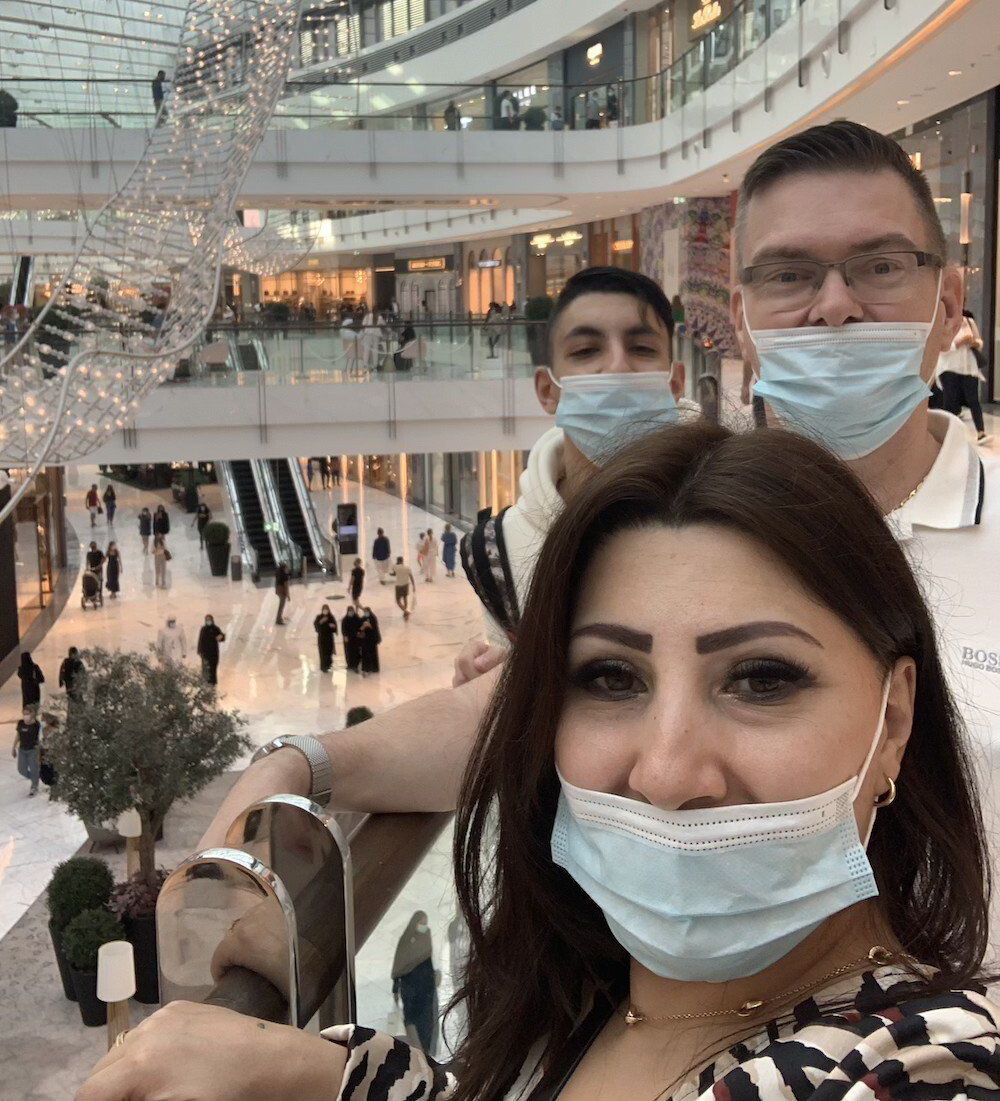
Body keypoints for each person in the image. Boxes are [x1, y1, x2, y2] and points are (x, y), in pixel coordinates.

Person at [194, 125, 1000, 957]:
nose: (834, 305)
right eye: (790, 275)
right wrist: (301, 763)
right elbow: (516, 712)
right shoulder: (688, 518)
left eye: (880, 266)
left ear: (948, 305)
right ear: (744, 322)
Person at [94, 423, 1000, 1099]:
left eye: (762, 678)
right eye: (610, 677)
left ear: (893, 720)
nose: (666, 772)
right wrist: (323, 1073)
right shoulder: (590, 992)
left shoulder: (920, 1064)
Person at [461, 265, 687, 645]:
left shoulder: (731, 512)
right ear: (547, 390)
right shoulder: (500, 551)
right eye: (585, 350)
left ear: (676, 382)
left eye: (642, 349)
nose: (617, 365)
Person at [935, 307, 988, 443]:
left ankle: (981, 432)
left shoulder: (969, 321)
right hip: (949, 367)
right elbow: (939, 347)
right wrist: (958, 344)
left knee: (973, 399)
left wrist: (974, 343)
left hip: (968, 367)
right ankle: (947, 434)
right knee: (950, 401)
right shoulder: (943, 322)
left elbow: (979, 342)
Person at [391, 912, 439, 1055]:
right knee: (411, 1019)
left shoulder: (426, 938)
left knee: (426, 1021)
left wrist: (433, 978)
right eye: (421, 923)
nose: (424, 926)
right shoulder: (405, 940)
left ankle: (425, 1051)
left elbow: (428, 962)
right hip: (410, 989)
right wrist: (395, 989)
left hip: (426, 988)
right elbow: (399, 964)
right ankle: (416, 1049)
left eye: (425, 923)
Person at [11, 705, 42, 797]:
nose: (25, 716)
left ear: (32, 714)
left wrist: (38, 754)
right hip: (22, 750)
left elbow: (39, 739)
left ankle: (34, 786)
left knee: (33, 768)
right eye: (24, 714)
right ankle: (35, 778)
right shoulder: (21, 723)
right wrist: (13, 747)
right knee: (21, 770)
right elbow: (18, 736)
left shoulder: (36, 725)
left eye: (27, 714)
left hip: (33, 750)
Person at [196, 614, 226, 686]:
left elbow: (221, 638)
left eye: (209, 620)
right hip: (205, 653)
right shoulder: (203, 629)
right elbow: (200, 640)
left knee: (213, 668)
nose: (208, 621)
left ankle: (213, 683)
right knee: (205, 668)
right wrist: (199, 650)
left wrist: (222, 636)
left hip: (214, 653)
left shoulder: (215, 629)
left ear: (212, 620)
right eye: (207, 620)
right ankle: (205, 682)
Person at [314, 604, 338, 673]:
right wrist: (321, 622)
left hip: (329, 638)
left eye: (326, 609)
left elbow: (334, 627)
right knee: (322, 652)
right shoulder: (319, 617)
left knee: (329, 652)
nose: (325, 610)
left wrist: (333, 626)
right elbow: (316, 627)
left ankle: (328, 665)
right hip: (322, 638)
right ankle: (323, 667)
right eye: (324, 609)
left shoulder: (331, 617)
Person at [358, 606, 381, 676]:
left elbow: (375, 628)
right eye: (364, 612)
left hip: (372, 639)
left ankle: (374, 668)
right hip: (365, 639)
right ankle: (366, 668)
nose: (366, 613)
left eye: (367, 612)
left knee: (373, 653)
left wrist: (370, 626)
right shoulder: (362, 619)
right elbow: (359, 629)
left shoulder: (373, 618)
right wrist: (363, 627)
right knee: (365, 654)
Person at [342, 605, 362, 674]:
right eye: (349, 611)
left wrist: (359, 632)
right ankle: (350, 665)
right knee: (348, 652)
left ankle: (355, 666)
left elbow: (360, 626)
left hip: (355, 638)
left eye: (352, 611)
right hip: (348, 639)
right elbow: (343, 629)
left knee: (355, 652)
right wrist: (345, 636)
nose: (351, 612)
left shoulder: (357, 618)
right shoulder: (345, 619)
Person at [274, 561, 290, 625]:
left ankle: (279, 618)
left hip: (278, 590)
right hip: (282, 591)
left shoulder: (278, 572)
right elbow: (286, 586)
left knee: (281, 605)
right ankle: (278, 619)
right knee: (281, 606)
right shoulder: (285, 575)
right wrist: (288, 595)